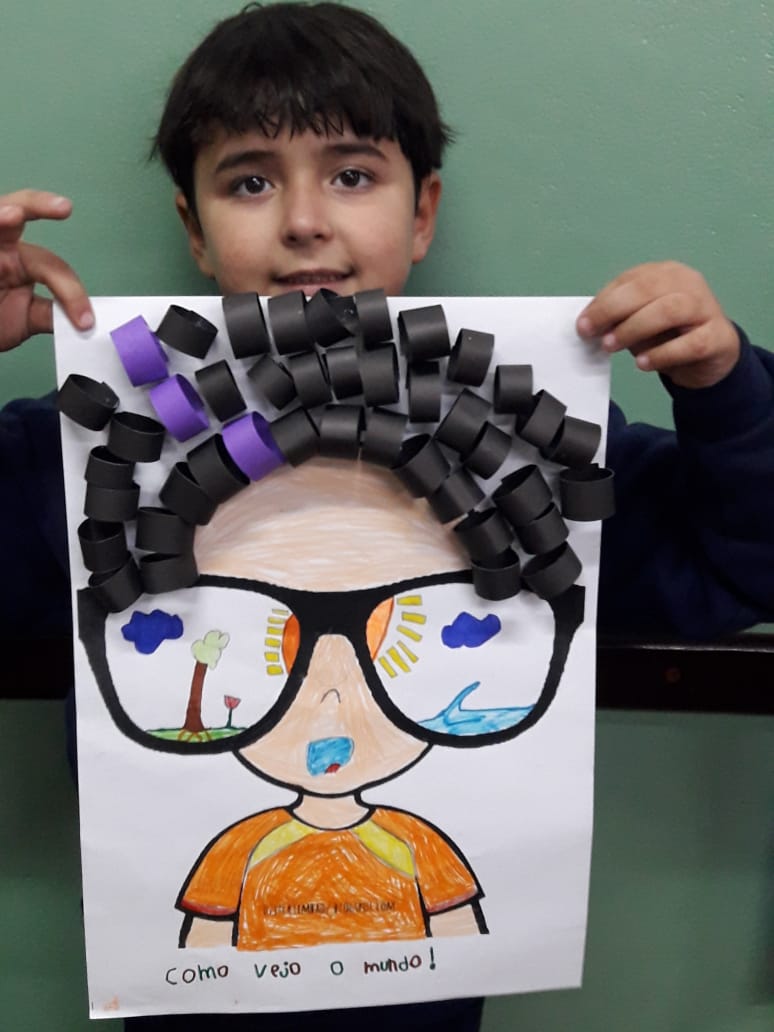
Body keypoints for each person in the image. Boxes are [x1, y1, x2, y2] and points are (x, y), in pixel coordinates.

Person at [1, 3, 773, 1030]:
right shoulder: (76, 454)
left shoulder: (528, 452)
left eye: (353, 175)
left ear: (422, 213)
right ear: (194, 227)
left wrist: (724, 387)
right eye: (249, 181)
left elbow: (737, 564)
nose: (305, 221)